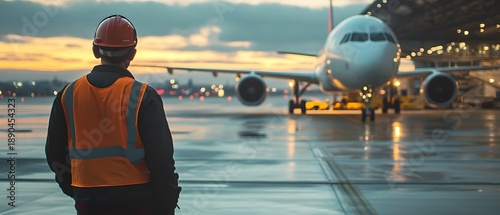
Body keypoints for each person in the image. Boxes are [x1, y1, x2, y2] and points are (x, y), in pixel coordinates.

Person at [45, 15, 180, 215]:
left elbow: (54, 154)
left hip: (87, 199)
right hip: (138, 200)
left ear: (94, 50)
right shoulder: (143, 96)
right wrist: (167, 204)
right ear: (133, 54)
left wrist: (74, 188)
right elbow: (162, 161)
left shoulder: (68, 94)